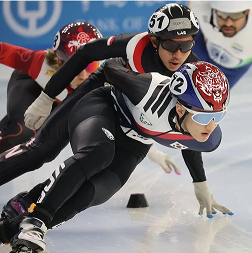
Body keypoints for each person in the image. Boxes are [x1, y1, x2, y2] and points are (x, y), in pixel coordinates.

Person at [3, 59, 233, 253]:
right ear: (181, 109)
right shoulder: (147, 91)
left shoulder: (208, 136)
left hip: (134, 140)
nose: (211, 126)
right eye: (204, 118)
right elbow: (112, 66)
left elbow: (190, 143)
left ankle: (11, 228)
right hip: (103, 108)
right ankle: (35, 222)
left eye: (218, 116)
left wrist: (200, 183)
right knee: (99, 153)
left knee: (96, 192)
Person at [0, 3, 200, 189]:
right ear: (155, 41)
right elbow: (84, 53)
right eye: (172, 46)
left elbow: (186, 125)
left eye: (186, 46)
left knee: (93, 162)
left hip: (103, 107)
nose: (178, 54)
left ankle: (31, 206)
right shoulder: (134, 45)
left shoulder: (189, 73)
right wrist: (46, 97)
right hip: (68, 91)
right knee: (33, 143)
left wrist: (200, 181)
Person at [0, 21, 102, 153]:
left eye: (90, 67)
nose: (83, 76)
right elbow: (3, 51)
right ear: (60, 63)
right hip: (29, 84)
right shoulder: (40, 63)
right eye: (76, 68)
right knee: (23, 129)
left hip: (53, 100)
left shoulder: (104, 75)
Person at [189, 0, 252, 87]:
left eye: (235, 15)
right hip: (202, 47)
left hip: (231, 70)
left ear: (247, 12)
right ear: (214, 11)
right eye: (222, 14)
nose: (228, 23)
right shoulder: (200, 6)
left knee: (206, 98)